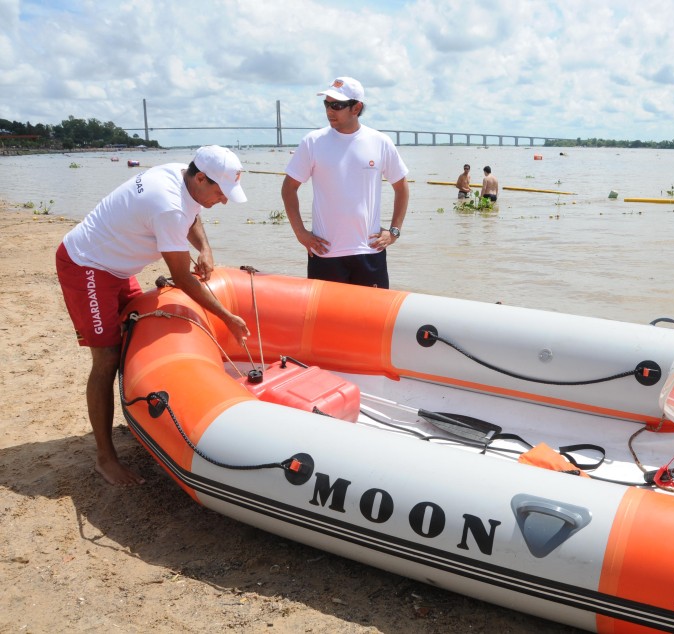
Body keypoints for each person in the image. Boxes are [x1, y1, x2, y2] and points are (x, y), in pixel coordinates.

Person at [55, 145, 251, 487]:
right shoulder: (168, 207)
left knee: (135, 334)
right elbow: (183, 277)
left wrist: (204, 249)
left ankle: (136, 420)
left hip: (116, 265)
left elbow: (192, 214)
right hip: (87, 264)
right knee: (107, 357)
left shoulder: (180, 173)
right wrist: (227, 316)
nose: (223, 200)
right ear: (201, 177)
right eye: (220, 192)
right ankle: (105, 458)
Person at [281, 76, 409, 288]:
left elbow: (401, 187)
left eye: (337, 105)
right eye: (326, 104)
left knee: (371, 319)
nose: (329, 110)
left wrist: (394, 231)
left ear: (356, 107)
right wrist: (301, 233)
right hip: (324, 254)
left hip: (369, 253)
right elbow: (289, 188)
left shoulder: (380, 142)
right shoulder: (312, 142)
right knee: (324, 320)